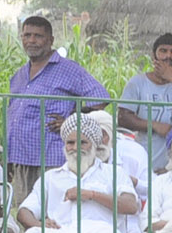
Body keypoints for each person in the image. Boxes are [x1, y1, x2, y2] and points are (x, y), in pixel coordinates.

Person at [6, 15, 109, 210]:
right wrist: (8, 158)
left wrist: (72, 120)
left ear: (50, 40)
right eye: (27, 35)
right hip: (20, 159)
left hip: (50, 158)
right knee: (25, 212)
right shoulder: (19, 74)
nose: (31, 40)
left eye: (38, 36)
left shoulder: (68, 69)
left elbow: (100, 98)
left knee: (54, 212)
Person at [118, 34, 172, 173]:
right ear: (153, 56)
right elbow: (123, 118)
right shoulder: (137, 83)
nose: (168, 56)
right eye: (163, 51)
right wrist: (154, 125)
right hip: (146, 161)